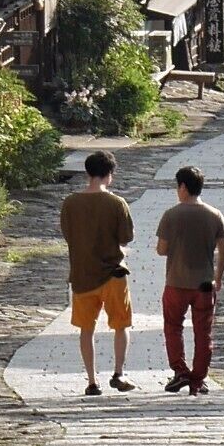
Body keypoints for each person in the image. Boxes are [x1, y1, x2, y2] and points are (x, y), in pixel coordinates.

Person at [59, 149, 136, 395]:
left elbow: (67, 234)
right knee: (121, 325)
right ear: (109, 174)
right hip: (113, 274)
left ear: (88, 172)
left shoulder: (70, 203)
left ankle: (92, 381)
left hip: (82, 275)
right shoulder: (116, 203)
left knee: (86, 328)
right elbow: (127, 237)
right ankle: (118, 372)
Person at [155, 164, 224, 395]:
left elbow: (161, 249)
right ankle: (198, 379)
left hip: (176, 281)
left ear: (183, 187)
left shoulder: (171, 214)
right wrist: (218, 277)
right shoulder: (214, 214)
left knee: (173, 327)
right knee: (203, 333)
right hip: (204, 284)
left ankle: (180, 371)